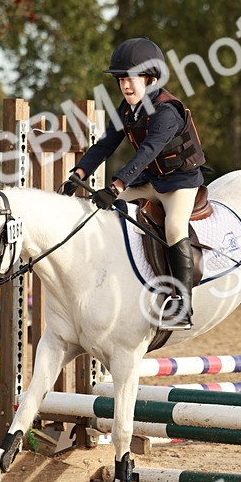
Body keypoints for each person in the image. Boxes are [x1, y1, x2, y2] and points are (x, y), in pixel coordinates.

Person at [59, 37, 206, 330]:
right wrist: (78, 174)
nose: (125, 86)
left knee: (174, 228)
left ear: (151, 79)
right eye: (121, 80)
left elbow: (146, 151)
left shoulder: (166, 111)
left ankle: (183, 304)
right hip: (151, 179)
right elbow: (104, 146)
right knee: (101, 211)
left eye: (132, 79)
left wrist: (114, 187)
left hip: (181, 183)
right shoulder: (127, 110)